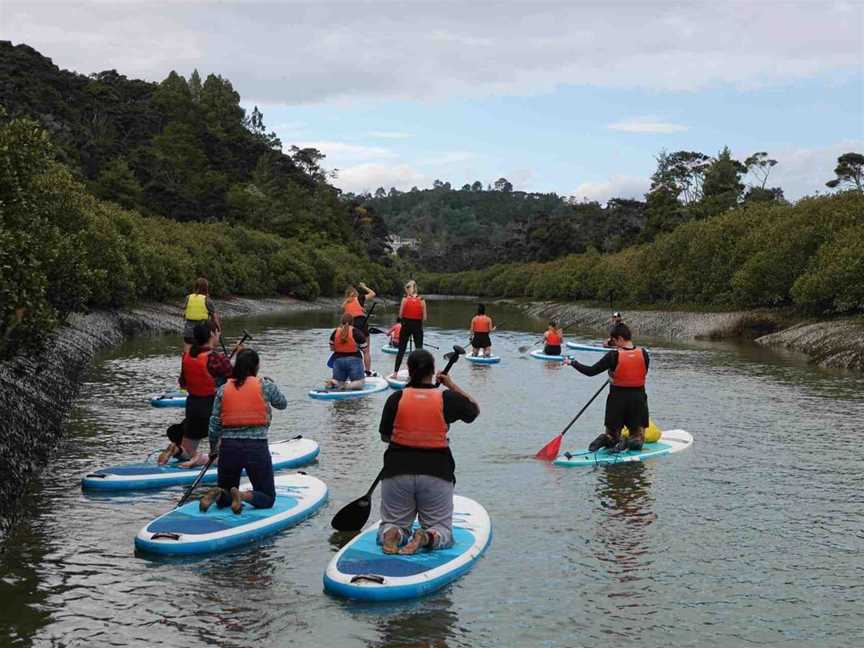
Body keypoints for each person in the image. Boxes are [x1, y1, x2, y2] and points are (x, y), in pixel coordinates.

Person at [377, 350, 479, 554]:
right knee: (442, 530)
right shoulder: (446, 398)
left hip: (397, 471)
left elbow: (385, 436)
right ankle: (427, 536)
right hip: (437, 472)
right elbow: (473, 411)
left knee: (393, 523)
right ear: (433, 372)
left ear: (410, 371)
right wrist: (451, 385)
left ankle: (393, 533)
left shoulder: (396, 398)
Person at [199, 349, 287, 514]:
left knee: (225, 498)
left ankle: (219, 493)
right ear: (256, 366)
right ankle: (241, 495)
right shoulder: (265, 386)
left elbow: (214, 424)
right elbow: (282, 404)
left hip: (229, 448)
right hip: (256, 448)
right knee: (267, 497)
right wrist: (272, 385)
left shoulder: (223, 389)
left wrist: (213, 450)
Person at [564, 323, 650, 453]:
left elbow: (590, 371)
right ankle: (627, 442)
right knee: (638, 439)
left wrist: (572, 363)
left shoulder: (613, 356)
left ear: (620, 338)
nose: (614, 345)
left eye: (614, 341)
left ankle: (605, 439)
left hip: (617, 400)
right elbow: (641, 374)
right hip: (638, 401)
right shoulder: (644, 354)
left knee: (612, 436)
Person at [158, 322, 232, 466]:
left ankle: (176, 450)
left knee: (186, 452)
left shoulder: (187, 357)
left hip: (193, 406)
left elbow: (183, 383)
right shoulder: (216, 358)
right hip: (213, 408)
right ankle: (201, 459)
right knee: (226, 457)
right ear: (212, 334)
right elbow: (236, 381)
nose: (218, 336)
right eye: (218, 333)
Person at [391, 280, 426, 377]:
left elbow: (400, 315)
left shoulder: (404, 299)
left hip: (406, 325)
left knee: (401, 350)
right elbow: (425, 317)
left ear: (408, 289)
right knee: (419, 350)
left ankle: (395, 373)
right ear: (416, 288)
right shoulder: (422, 300)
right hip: (417, 326)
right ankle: (420, 373)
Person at [326, 313, 368, 390]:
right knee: (360, 383)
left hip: (338, 361)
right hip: (354, 360)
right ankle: (346, 386)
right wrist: (367, 370)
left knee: (338, 381)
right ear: (353, 322)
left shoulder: (335, 332)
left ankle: (334, 382)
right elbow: (365, 351)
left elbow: (332, 348)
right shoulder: (357, 333)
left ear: (341, 322)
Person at [343, 283, 376, 375]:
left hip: (351, 327)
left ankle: (353, 371)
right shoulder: (360, 298)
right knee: (366, 351)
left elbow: (345, 315)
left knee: (353, 350)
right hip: (362, 324)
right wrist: (364, 287)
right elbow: (373, 294)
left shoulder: (346, 303)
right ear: (355, 293)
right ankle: (368, 371)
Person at [183, 277, 219, 353]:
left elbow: (184, 313)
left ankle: (185, 362)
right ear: (206, 288)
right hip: (202, 335)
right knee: (212, 340)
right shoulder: (207, 300)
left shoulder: (188, 298)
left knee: (187, 354)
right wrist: (218, 329)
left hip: (188, 334)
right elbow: (215, 318)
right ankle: (209, 359)